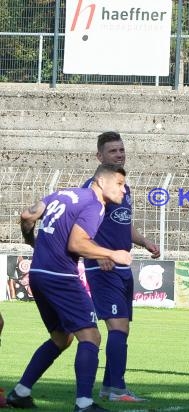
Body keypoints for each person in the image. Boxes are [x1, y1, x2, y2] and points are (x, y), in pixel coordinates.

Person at [7, 163, 132, 412]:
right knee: (91, 336)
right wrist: (112, 254)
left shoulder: (62, 194)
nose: (123, 189)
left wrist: (31, 241)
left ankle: (20, 393)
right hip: (60, 276)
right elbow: (77, 243)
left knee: (61, 338)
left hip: (39, 274)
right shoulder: (94, 205)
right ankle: (84, 403)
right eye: (119, 184)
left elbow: (27, 216)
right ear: (100, 181)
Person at [83, 131, 160, 403]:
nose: (119, 154)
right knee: (117, 328)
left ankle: (109, 387)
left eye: (121, 150)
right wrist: (99, 255)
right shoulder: (91, 191)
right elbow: (81, 229)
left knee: (122, 328)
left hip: (123, 268)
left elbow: (124, 224)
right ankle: (117, 388)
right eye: (113, 151)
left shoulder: (123, 188)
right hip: (103, 268)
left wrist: (145, 242)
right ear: (99, 156)